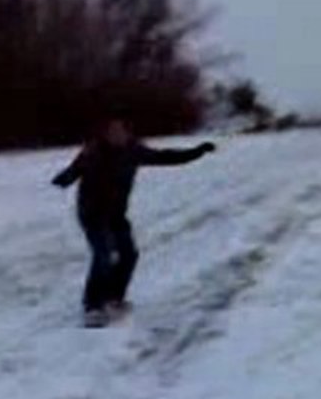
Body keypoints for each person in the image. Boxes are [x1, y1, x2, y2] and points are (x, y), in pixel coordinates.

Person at [52, 117, 217, 327]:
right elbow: (73, 171)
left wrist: (197, 151)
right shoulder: (92, 153)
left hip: (116, 215)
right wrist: (63, 179)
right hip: (92, 214)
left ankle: (114, 298)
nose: (118, 135)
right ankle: (92, 306)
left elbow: (166, 157)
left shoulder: (134, 151)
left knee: (129, 255)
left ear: (128, 133)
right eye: (113, 131)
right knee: (103, 256)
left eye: (121, 131)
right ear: (105, 134)